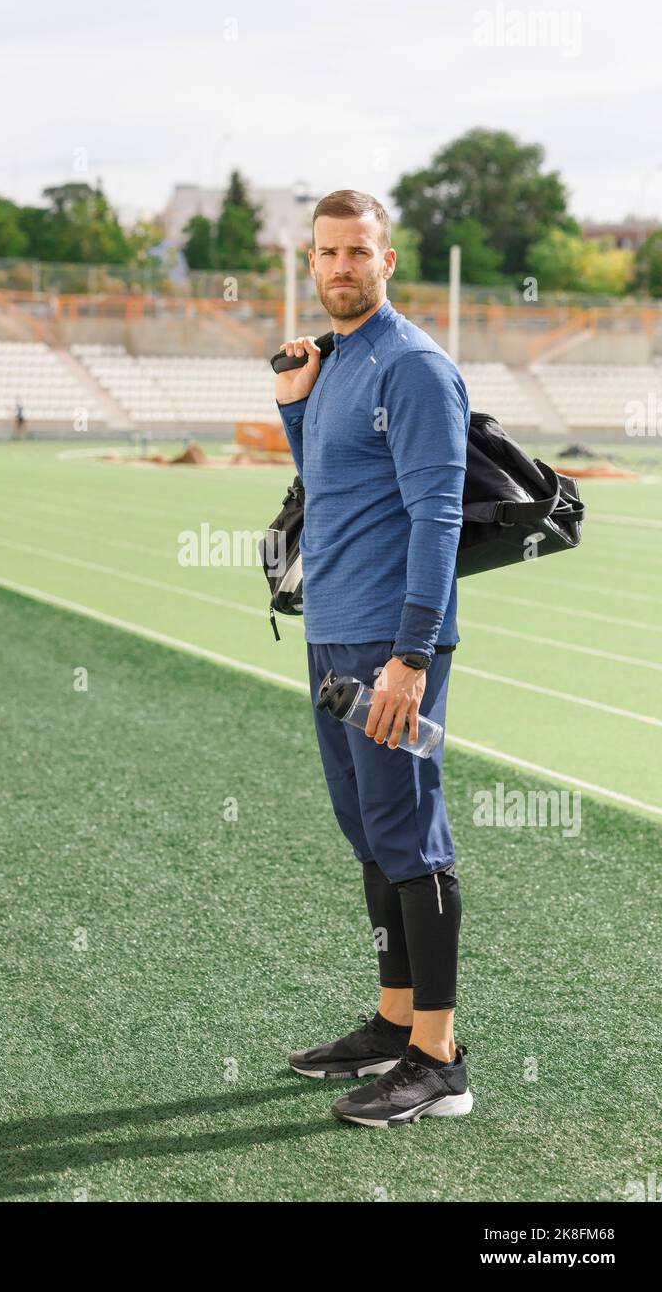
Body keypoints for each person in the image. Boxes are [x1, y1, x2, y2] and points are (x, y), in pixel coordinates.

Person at [277, 189, 472, 1128]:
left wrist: (412, 657)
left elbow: (438, 515)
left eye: (359, 251)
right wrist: (292, 408)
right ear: (309, 263)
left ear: (388, 261)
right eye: (327, 253)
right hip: (332, 631)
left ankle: (438, 1060)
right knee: (368, 832)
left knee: (411, 836)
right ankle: (395, 1022)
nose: (342, 267)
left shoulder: (414, 368)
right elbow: (326, 483)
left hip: (391, 644)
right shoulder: (335, 362)